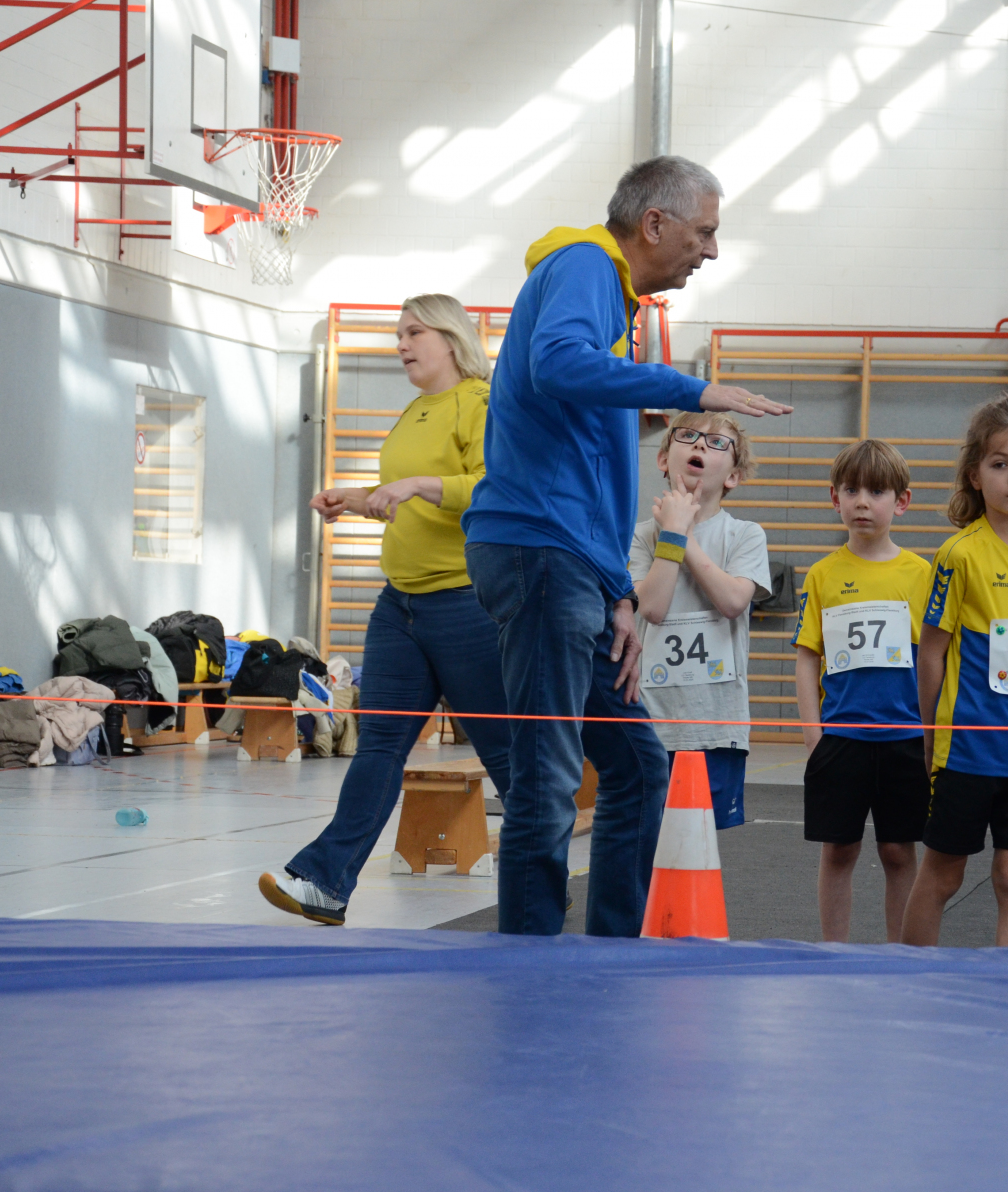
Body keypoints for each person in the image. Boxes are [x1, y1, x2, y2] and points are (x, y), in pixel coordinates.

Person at [461, 157, 791, 937]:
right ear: (654, 223)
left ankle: (611, 946)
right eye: (703, 232)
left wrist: (615, 590)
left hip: (573, 562)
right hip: (538, 550)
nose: (711, 250)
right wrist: (690, 389)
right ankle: (529, 959)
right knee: (547, 776)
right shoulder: (584, 264)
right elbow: (556, 363)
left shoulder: (615, 306)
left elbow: (597, 475)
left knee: (640, 765)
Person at [260, 294, 510, 926]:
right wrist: (356, 498)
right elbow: (406, 497)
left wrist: (416, 485)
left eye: (413, 332)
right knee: (378, 748)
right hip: (401, 606)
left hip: (466, 605)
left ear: (450, 338)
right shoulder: (414, 409)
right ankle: (324, 884)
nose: (401, 344)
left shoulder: (481, 403)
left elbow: (495, 487)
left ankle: (541, 879)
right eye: (399, 334)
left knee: (507, 755)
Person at [901, 395, 1008, 948]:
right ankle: (911, 975)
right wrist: (929, 733)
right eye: (1000, 464)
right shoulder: (959, 555)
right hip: (968, 751)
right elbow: (932, 652)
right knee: (943, 874)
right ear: (975, 476)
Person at [793, 439, 932, 942]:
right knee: (838, 850)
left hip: (906, 739)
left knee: (897, 851)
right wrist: (814, 735)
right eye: (851, 491)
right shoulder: (824, 574)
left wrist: (931, 733)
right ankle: (833, 951)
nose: (862, 503)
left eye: (876, 492)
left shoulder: (922, 575)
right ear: (835, 499)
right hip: (842, 739)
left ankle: (902, 952)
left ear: (902, 501)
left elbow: (934, 659)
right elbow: (807, 657)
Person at [629, 413, 771, 830]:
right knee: (646, 838)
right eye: (688, 436)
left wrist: (681, 535)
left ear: (733, 477)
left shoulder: (745, 534)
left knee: (698, 843)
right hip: (652, 720)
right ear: (663, 459)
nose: (700, 445)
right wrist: (670, 533)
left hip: (715, 722)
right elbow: (652, 608)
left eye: (716, 443)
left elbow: (732, 601)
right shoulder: (641, 535)